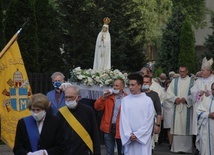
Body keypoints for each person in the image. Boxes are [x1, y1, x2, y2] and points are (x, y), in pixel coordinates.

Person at [57, 85, 101, 155]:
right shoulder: (61, 112)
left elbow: (95, 133)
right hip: (66, 151)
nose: (68, 99)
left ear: (78, 97)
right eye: (66, 97)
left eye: (71, 97)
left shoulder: (88, 111)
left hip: (83, 151)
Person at [120, 73, 154, 155]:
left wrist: (138, 134)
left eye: (133, 85)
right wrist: (128, 134)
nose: (130, 87)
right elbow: (123, 119)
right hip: (130, 139)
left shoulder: (147, 100)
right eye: (129, 85)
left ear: (139, 85)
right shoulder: (125, 100)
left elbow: (149, 121)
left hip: (143, 139)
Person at [94, 78, 126, 155]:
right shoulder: (108, 97)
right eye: (114, 85)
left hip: (121, 128)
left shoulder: (127, 98)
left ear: (122, 87)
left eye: (117, 85)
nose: (114, 87)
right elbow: (97, 107)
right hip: (108, 127)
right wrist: (103, 97)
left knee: (122, 151)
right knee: (109, 152)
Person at [166, 66, 194, 153]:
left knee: (186, 126)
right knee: (177, 126)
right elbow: (168, 93)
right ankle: (176, 148)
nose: (182, 73)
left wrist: (186, 99)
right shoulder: (175, 81)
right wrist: (175, 98)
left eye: (183, 71)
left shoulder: (192, 82)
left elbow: (194, 94)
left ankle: (187, 149)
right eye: (180, 71)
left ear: (187, 71)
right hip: (177, 108)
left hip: (187, 108)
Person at [141, 75, 162, 147]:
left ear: (150, 83)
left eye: (147, 82)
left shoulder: (154, 95)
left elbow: (158, 111)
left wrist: (157, 125)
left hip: (150, 123)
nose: (145, 84)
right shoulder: (138, 94)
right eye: (143, 82)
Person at [196, 82, 214, 155]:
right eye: (213, 89)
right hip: (207, 129)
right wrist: (208, 114)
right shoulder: (206, 100)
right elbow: (198, 112)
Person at [162, 80, 173, 150]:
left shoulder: (173, 94)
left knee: (173, 128)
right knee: (168, 128)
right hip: (166, 112)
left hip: (173, 111)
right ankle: (170, 143)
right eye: (167, 86)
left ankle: (174, 143)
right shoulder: (163, 93)